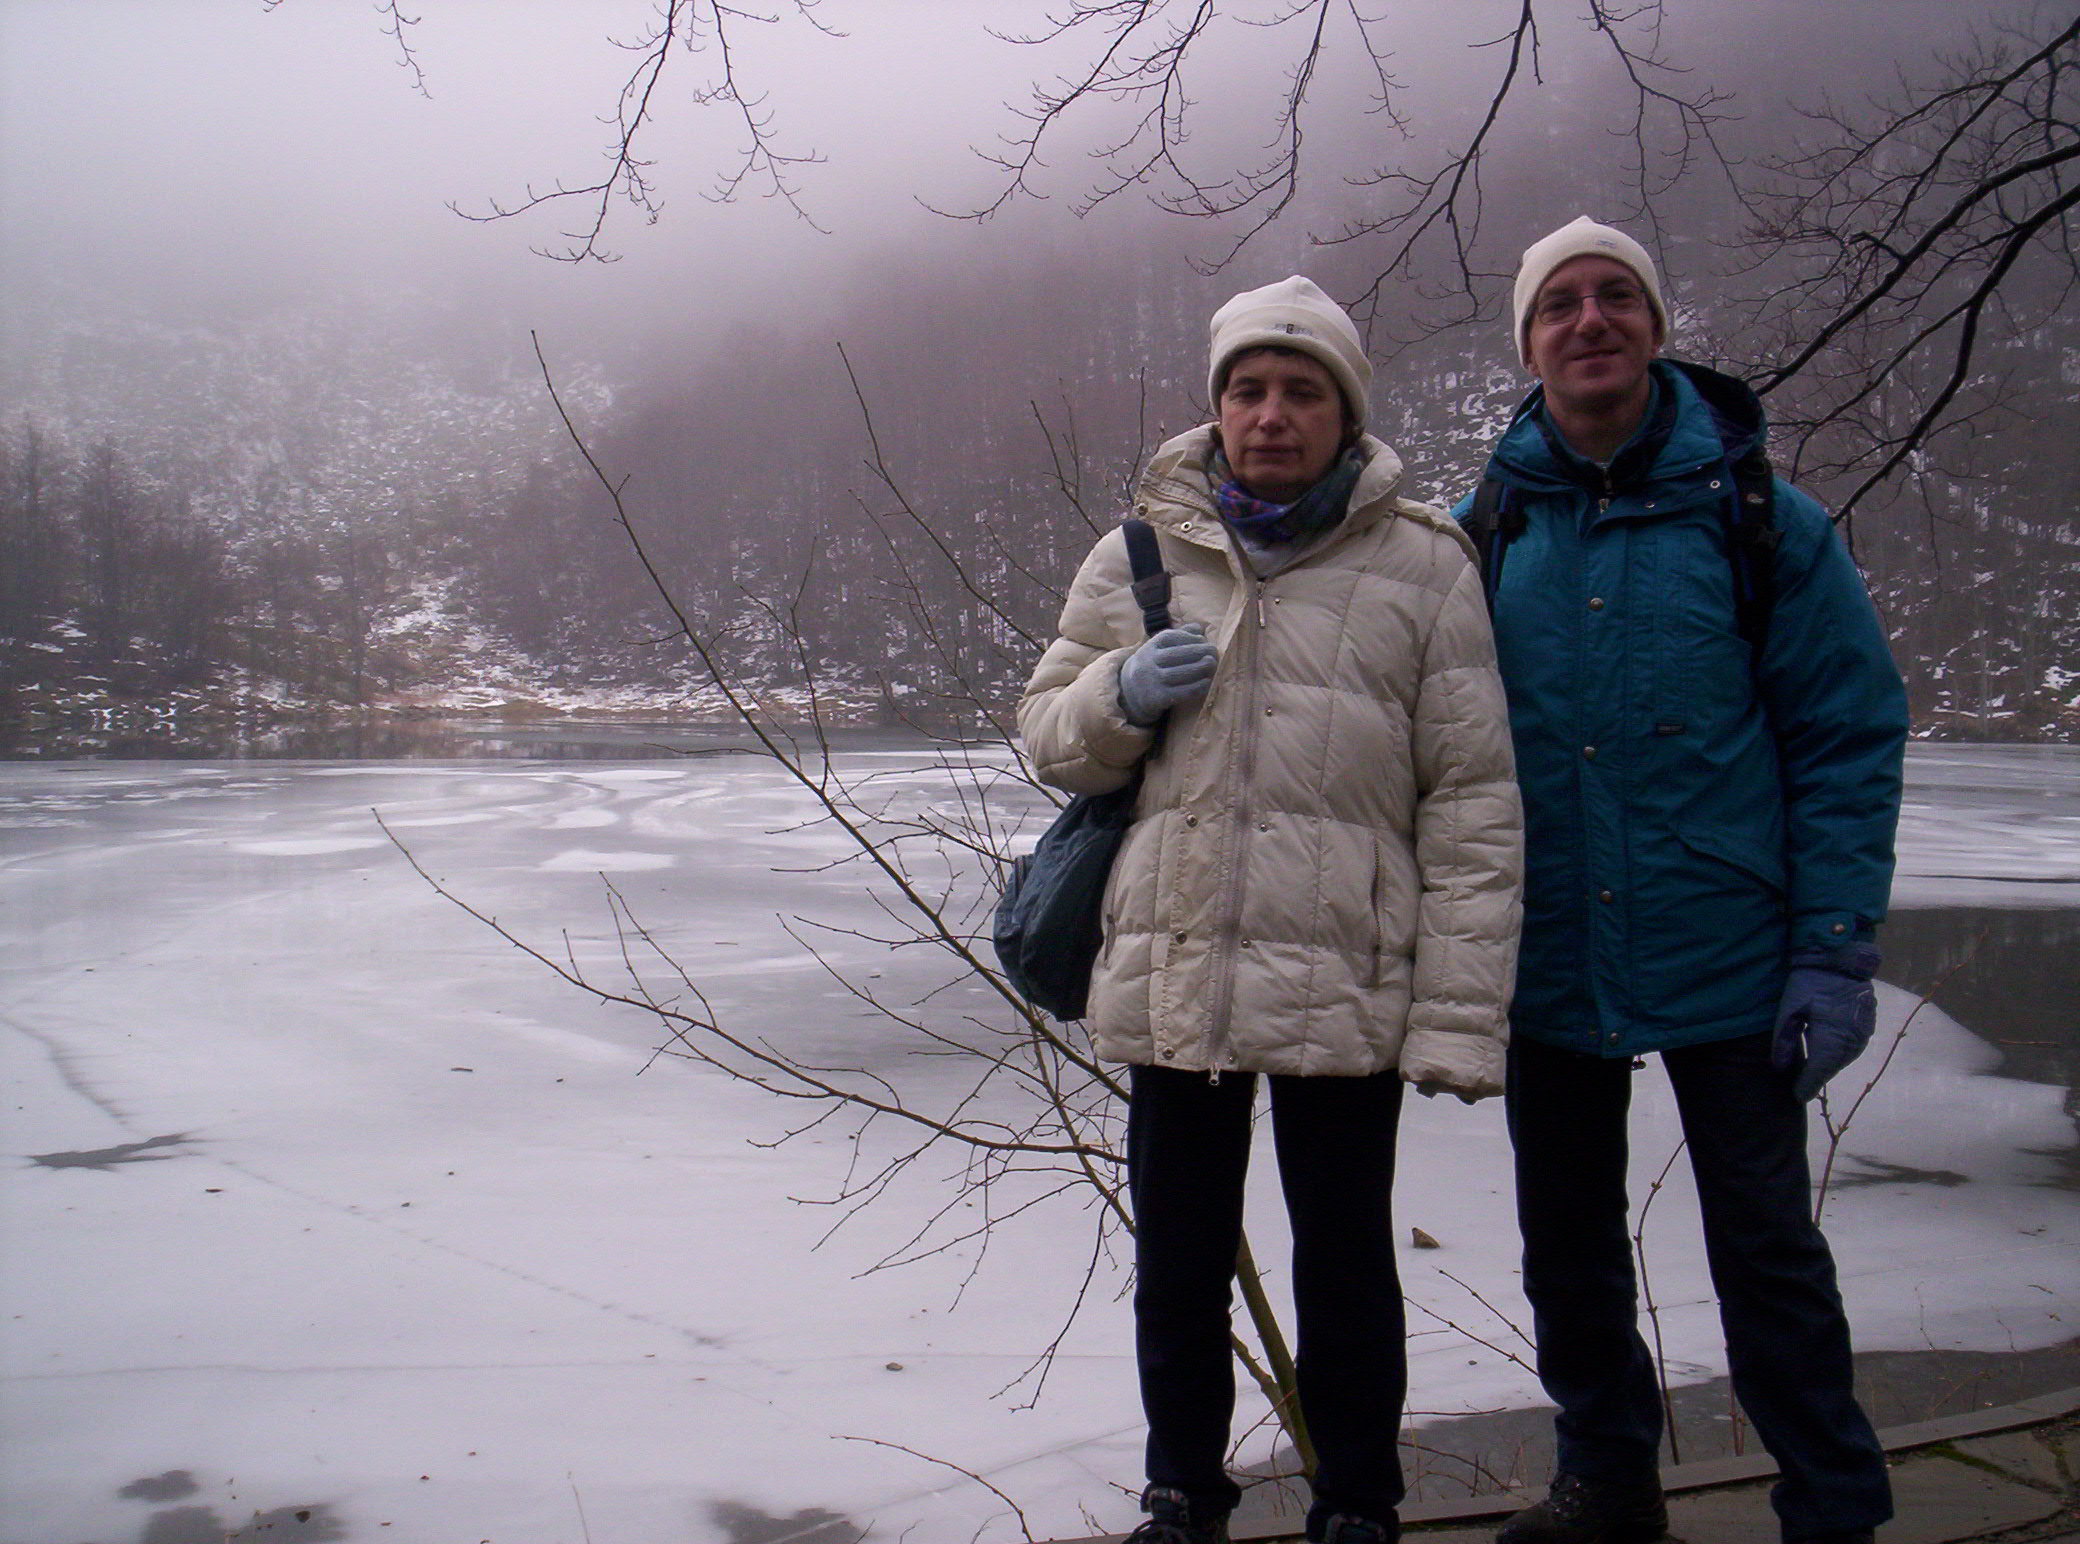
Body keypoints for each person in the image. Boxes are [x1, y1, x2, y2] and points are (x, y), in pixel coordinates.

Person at [1018, 276, 1522, 1544]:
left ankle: (1358, 1502)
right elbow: (1048, 736)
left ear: (1344, 412)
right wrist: (1120, 693)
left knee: (1345, 1261)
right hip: (1176, 958)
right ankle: (1182, 1493)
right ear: (1219, 407)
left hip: (1341, 967)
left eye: (1301, 391)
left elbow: (1470, 804)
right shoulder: (1139, 553)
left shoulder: (1424, 565)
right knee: (1178, 1263)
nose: (1271, 413)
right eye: (1247, 389)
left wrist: (1458, 1018)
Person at [1455, 217, 1909, 1544]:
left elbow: (1845, 730)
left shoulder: (1762, 517)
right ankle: (1608, 1482)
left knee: (1766, 1250)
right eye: (1559, 305)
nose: (1589, 321)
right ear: (1530, 345)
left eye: (1616, 297)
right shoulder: (1489, 531)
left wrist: (1833, 943)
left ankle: (1833, 1506)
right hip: (1548, 947)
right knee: (1569, 1248)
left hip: (1731, 947)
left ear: (1655, 326)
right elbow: (1431, 745)